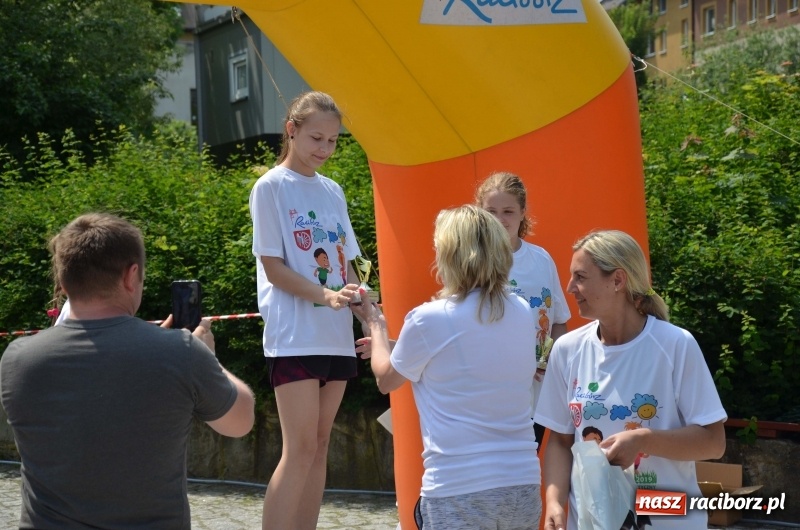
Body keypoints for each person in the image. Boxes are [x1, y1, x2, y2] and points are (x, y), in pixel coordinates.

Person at [0, 213, 255, 529]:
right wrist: (205, 357)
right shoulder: (181, 352)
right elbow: (240, 422)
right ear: (131, 276)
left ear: (63, 283)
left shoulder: (17, 359)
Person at [352, 205, 542, 530]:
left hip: (459, 487)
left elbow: (386, 378)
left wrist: (376, 325)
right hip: (523, 483)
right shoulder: (523, 310)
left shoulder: (429, 318)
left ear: (451, 255)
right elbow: (471, 357)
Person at [534, 230, 727, 530]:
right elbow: (559, 442)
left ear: (617, 281)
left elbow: (714, 443)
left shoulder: (675, 345)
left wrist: (643, 439)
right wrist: (555, 501)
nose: (571, 287)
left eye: (581, 277)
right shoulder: (568, 349)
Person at [249, 91, 363, 530]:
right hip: (294, 333)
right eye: (317, 137)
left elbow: (347, 262)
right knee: (298, 449)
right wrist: (327, 297)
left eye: (333, 141)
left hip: (335, 333)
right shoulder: (270, 187)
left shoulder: (333, 190)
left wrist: (362, 303)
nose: (325, 149)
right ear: (291, 130)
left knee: (318, 445)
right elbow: (274, 269)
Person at [475, 171, 570, 448]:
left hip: (536, 396)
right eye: (491, 211)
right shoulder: (471, 260)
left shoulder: (541, 259)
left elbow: (559, 322)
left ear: (523, 212)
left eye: (508, 211)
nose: (500, 220)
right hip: (490, 394)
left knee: (525, 465)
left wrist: (550, 360)